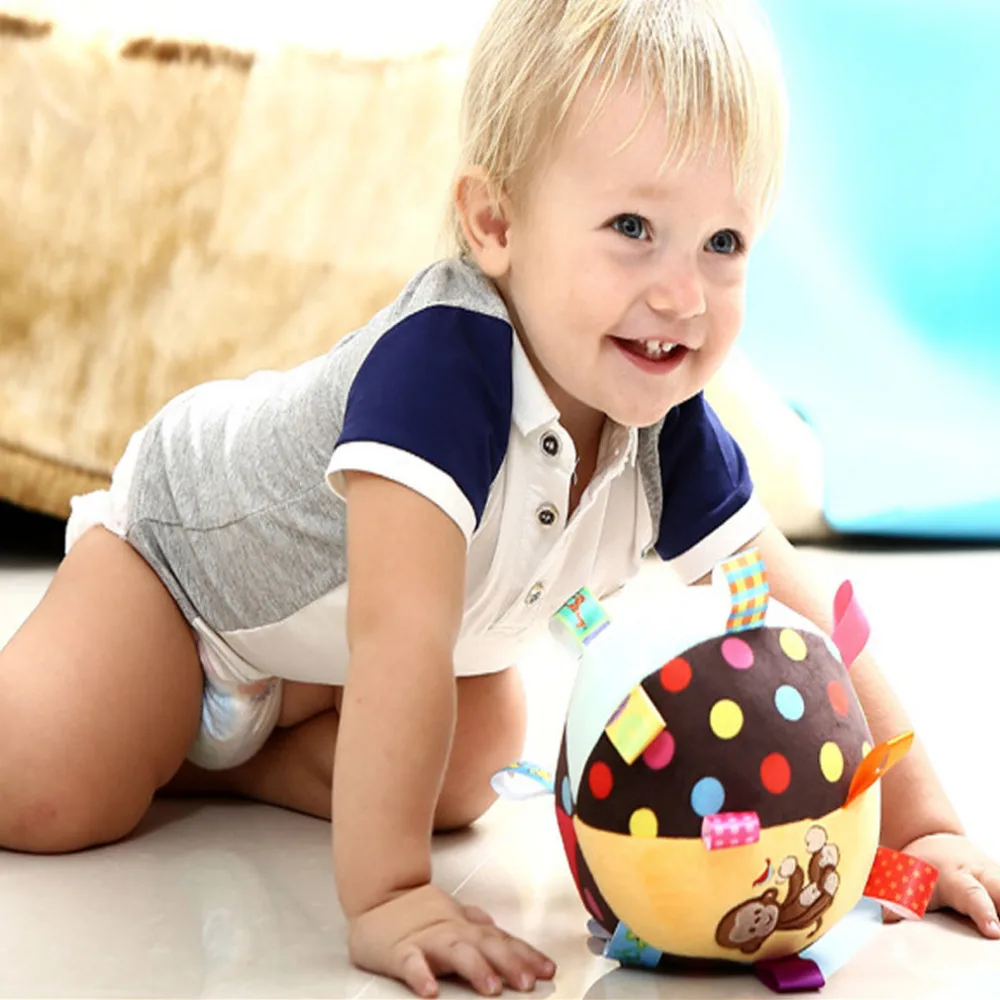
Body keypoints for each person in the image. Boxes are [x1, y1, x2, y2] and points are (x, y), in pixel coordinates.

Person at [1, 0, 997, 996]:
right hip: (182, 581)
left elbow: (802, 620)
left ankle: (213, 758)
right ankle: (163, 723)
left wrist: (922, 829)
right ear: (496, 224)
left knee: (474, 754)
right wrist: (392, 894)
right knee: (44, 791)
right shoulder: (440, 375)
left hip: (323, 659)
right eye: (633, 228)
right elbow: (398, 638)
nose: (683, 294)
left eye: (723, 241)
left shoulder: (665, 422)